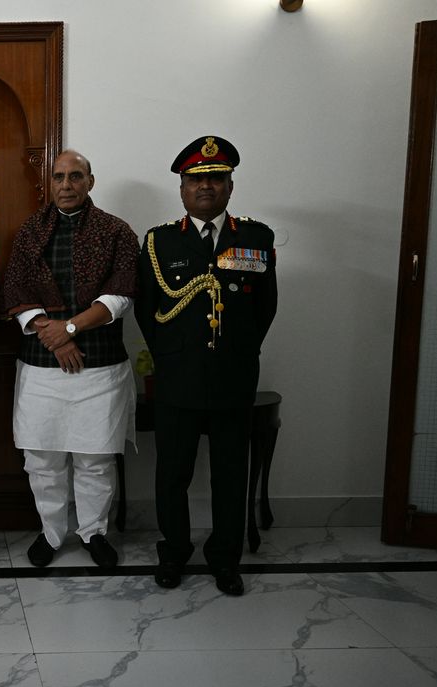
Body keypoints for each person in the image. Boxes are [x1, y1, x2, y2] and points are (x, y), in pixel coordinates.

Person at [136, 136, 278, 596]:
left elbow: (265, 309)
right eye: (196, 179)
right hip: (177, 378)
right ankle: (174, 553)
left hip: (233, 378)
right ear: (181, 188)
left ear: (230, 186)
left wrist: (239, 352)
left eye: (216, 178)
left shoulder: (255, 238)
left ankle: (225, 559)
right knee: (172, 474)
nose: (206, 187)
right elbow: (148, 311)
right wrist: (170, 357)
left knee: (231, 475)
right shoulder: (158, 241)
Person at [1, 150, 140, 569]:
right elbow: (14, 290)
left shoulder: (116, 231)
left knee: (95, 459)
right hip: (40, 366)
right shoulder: (30, 232)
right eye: (59, 177)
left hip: (100, 369)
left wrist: (71, 328)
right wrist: (57, 338)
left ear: (90, 182)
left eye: (75, 176)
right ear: (50, 182)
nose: (66, 185)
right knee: (42, 459)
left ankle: (94, 532)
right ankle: (51, 533)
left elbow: (121, 295)